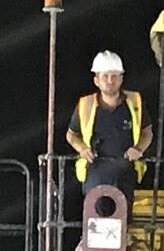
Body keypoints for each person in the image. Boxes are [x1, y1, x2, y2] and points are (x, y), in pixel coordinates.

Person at [65, 50, 153, 196]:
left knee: (123, 216)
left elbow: (147, 132)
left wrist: (138, 149)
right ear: (96, 80)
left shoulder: (135, 101)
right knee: (96, 216)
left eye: (114, 76)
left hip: (126, 171)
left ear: (121, 79)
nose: (110, 80)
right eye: (105, 76)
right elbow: (71, 134)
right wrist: (82, 149)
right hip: (95, 171)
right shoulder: (85, 104)